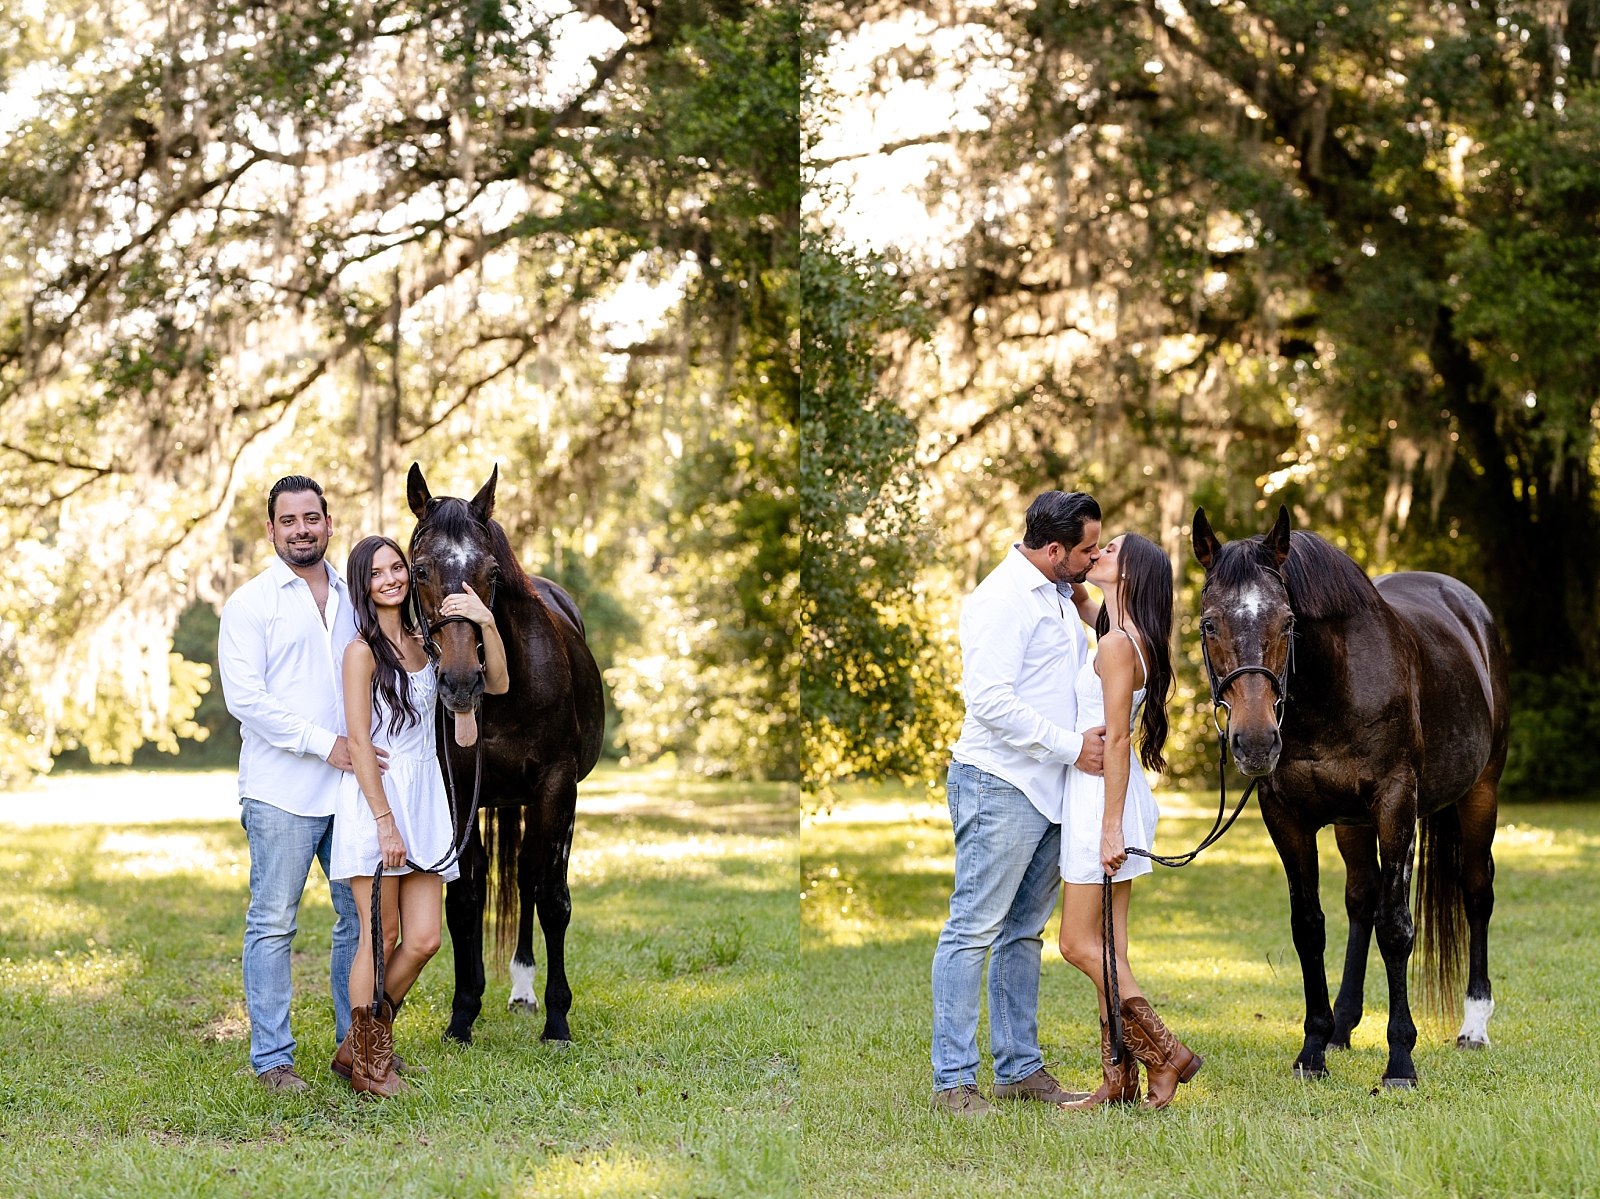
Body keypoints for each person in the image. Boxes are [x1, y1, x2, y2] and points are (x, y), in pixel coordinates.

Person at [930, 490, 1109, 1116]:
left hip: (1049, 789)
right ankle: (953, 1082)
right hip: (1000, 783)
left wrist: (1100, 588)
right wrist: (1072, 747)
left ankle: (1019, 1070)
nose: (1093, 558)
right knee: (972, 930)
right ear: (1054, 548)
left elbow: (1110, 635)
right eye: (1087, 549)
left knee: (1022, 933)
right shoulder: (1003, 598)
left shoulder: (1060, 594)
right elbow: (990, 702)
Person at [329, 535, 508, 1096]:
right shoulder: (361, 651)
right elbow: (359, 743)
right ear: (363, 584)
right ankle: (371, 1065)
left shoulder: (426, 643)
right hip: (376, 797)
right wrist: (384, 821)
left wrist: (485, 621)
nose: (391, 579)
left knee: (425, 938)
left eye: (397, 568)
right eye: (377, 572)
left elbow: (496, 683)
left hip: (426, 792)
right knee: (379, 940)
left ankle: (358, 1049)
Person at [218, 475, 373, 1092]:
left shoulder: (357, 597)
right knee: (273, 922)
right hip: (281, 791)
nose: (302, 529)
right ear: (272, 529)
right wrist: (325, 744)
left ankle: (356, 1048)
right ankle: (273, 1061)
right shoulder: (251, 603)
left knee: (359, 922)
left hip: (352, 792)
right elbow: (245, 699)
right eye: (289, 520)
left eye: (312, 518)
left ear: (329, 524)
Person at [1056, 532, 1201, 1111]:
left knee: (1075, 943)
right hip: (1114, 794)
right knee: (1110, 948)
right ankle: (1119, 1080)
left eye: (1108, 550)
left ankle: (1165, 1054)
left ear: (1131, 575)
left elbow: (1117, 738)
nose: (1096, 554)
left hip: (1102, 799)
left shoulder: (1118, 646)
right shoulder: (1126, 635)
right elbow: (1094, 612)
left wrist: (1110, 827)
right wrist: (1072, 587)